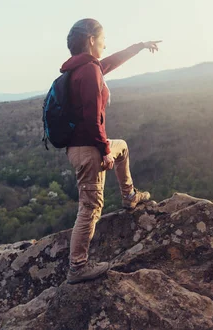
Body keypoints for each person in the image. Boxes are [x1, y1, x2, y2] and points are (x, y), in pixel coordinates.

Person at [61, 18, 161, 284]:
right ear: (91, 40)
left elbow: (109, 63)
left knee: (123, 148)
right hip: (89, 150)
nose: (106, 44)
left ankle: (129, 196)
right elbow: (94, 118)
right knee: (91, 207)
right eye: (103, 39)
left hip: (79, 148)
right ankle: (77, 267)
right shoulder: (89, 71)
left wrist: (138, 47)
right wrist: (104, 149)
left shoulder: (80, 69)